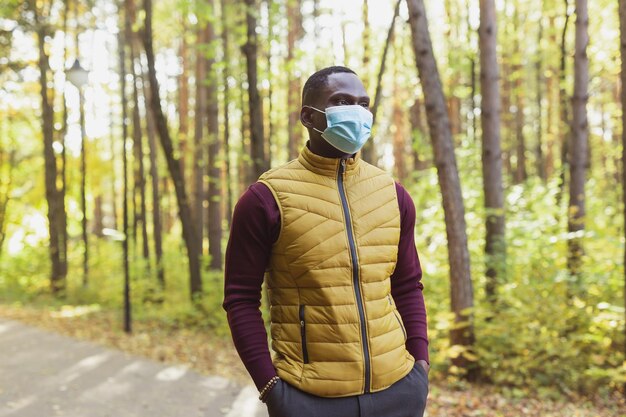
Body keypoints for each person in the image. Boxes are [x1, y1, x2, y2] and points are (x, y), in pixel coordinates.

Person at [223, 66, 429, 417]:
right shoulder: (265, 199)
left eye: (363, 104)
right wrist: (271, 387)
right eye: (341, 101)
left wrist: (420, 366)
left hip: (399, 390)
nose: (357, 112)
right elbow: (240, 299)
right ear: (309, 116)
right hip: (309, 398)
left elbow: (407, 285)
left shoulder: (392, 195)